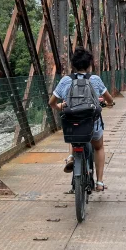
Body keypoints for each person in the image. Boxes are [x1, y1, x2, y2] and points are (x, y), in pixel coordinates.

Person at [49, 47, 114, 191]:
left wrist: (60, 106)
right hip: (92, 123)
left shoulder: (65, 80)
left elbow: (51, 103)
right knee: (99, 147)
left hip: (72, 124)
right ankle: (100, 182)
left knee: (74, 129)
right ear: (89, 65)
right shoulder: (95, 80)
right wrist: (109, 103)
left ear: (72, 65)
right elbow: (109, 99)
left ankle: (72, 156)